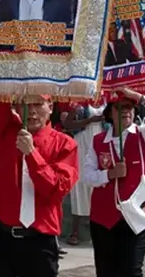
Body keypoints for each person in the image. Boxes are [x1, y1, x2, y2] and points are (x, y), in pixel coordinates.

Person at [0, 97, 78, 277]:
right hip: (0, 237)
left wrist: (31, 154)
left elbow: (56, 190)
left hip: (38, 241)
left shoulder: (65, 144)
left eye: (38, 104)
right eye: (26, 103)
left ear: (50, 107)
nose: (31, 110)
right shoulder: (8, 130)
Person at [84, 88, 145, 277]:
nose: (125, 110)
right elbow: (87, 176)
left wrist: (138, 97)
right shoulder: (98, 141)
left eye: (129, 106)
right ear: (110, 113)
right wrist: (109, 174)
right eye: (119, 107)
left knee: (131, 270)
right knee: (105, 270)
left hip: (137, 215)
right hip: (104, 217)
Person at [61, 103, 104, 245]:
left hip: (101, 143)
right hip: (82, 143)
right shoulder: (80, 104)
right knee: (78, 185)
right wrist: (89, 121)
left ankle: (98, 230)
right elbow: (67, 124)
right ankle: (74, 231)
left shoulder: (109, 101)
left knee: (98, 184)